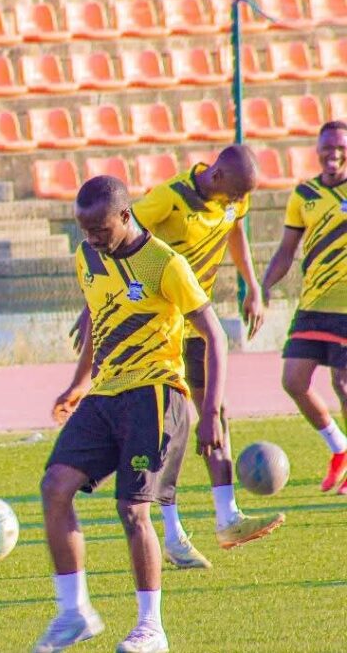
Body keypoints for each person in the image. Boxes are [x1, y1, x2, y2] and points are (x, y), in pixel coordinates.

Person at [36, 176, 226, 653]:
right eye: (84, 229)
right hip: (105, 393)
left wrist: (211, 412)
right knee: (55, 486)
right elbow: (99, 319)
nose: (91, 238)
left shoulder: (165, 263)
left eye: (100, 229)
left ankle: (151, 628)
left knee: (133, 509)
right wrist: (79, 383)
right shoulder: (87, 257)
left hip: (156, 394)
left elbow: (215, 336)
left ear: (125, 216)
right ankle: (74, 612)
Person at [128, 146, 284, 567]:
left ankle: (228, 518)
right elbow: (118, 239)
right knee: (171, 427)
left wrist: (252, 286)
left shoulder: (233, 199)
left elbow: (235, 230)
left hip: (197, 321)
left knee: (216, 413)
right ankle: (173, 535)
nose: (238, 202)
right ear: (216, 176)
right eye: (234, 194)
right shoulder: (168, 198)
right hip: (158, 328)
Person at [262, 121, 347, 494]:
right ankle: (340, 447)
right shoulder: (304, 194)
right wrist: (262, 286)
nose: (334, 154)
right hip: (313, 303)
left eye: (341, 147)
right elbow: (286, 251)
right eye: (328, 147)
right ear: (317, 149)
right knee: (293, 381)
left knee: (343, 384)